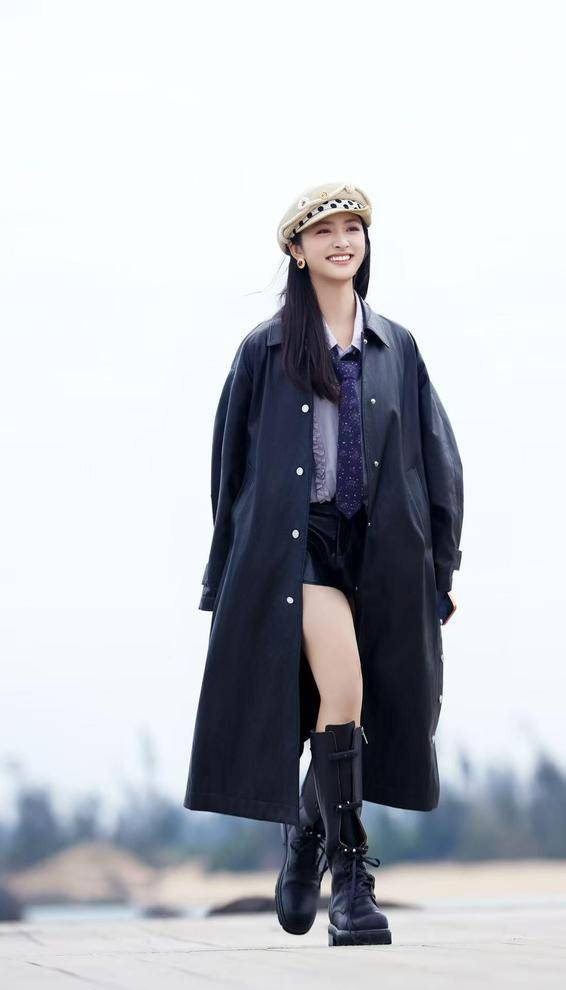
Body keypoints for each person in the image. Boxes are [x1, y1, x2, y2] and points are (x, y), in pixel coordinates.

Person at [184, 181, 464, 948]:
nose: (342, 241)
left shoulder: (397, 348)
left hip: (382, 552)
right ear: (297, 250)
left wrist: (442, 569)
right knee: (345, 689)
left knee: (356, 713)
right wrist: (226, 576)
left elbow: (437, 462)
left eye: (353, 228)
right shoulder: (265, 349)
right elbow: (229, 473)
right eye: (324, 231)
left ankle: (304, 838)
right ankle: (353, 887)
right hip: (295, 546)